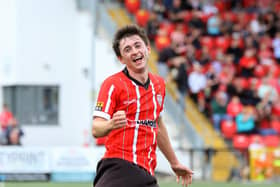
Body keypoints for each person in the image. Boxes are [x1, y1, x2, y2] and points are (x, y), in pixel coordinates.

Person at [92, 24, 193, 187]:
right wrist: (110, 124)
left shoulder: (159, 84)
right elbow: (96, 128)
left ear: (147, 48)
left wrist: (174, 163)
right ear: (121, 59)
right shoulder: (112, 84)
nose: (134, 51)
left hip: (145, 170)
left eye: (137, 45)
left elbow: (157, 123)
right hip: (119, 165)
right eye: (127, 49)